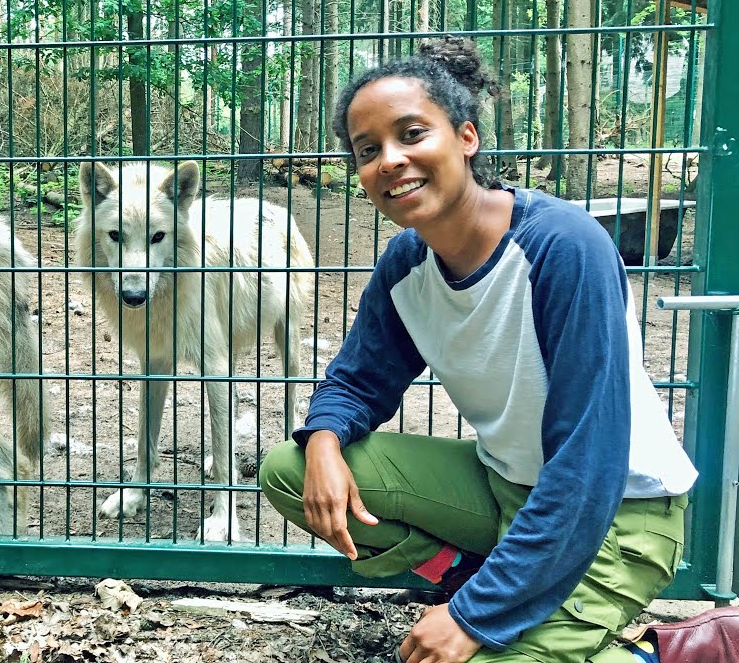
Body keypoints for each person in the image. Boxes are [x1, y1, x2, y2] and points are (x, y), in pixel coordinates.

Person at [257, 36, 737, 663]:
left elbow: (586, 464)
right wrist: (321, 441)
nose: (391, 161)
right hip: (505, 487)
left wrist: (473, 618)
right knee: (290, 472)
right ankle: (482, 581)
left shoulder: (562, 248)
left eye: (411, 135)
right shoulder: (408, 264)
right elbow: (357, 381)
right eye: (367, 150)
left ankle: (667, 653)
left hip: (616, 515)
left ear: (466, 137)